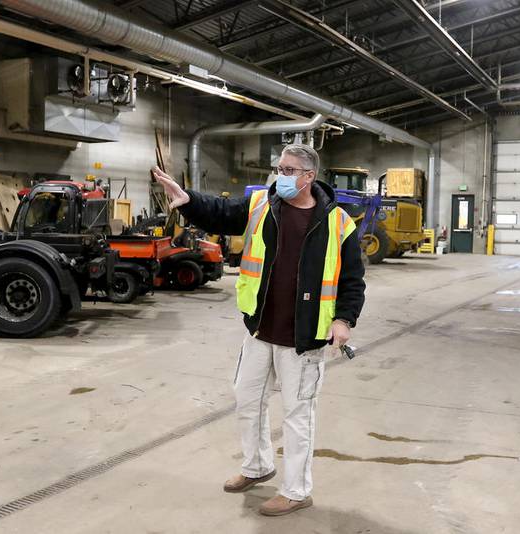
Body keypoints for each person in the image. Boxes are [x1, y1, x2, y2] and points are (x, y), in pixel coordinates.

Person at [152, 143, 366, 516]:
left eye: (287, 171)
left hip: (304, 338)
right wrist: (187, 200)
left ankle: (297, 490)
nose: (278, 176)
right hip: (260, 329)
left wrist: (343, 320)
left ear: (308, 176)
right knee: (247, 400)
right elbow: (220, 212)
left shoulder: (338, 223)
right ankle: (257, 466)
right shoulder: (262, 205)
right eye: (278, 169)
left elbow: (353, 280)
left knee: (298, 415)